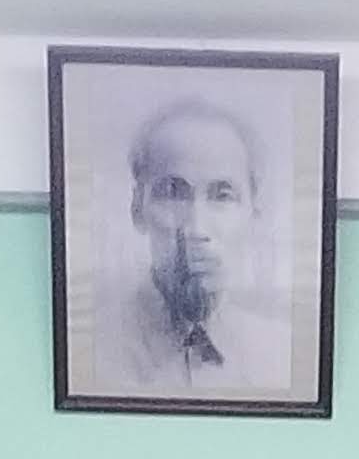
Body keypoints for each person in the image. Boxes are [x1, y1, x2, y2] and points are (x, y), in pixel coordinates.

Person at [111, 97, 291, 397]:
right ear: (137, 209)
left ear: (253, 214)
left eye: (222, 196)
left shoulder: (281, 354)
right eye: (172, 192)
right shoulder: (93, 351)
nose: (197, 229)